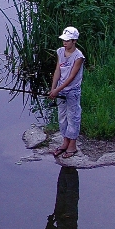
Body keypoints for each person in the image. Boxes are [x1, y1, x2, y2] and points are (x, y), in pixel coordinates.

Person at [49, 26, 85, 159]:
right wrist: (53, 88)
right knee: (62, 116)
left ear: (74, 41)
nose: (64, 43)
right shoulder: (60, 51)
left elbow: (71, 76)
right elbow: (58, 70)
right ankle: (65, 142)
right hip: (60, 89)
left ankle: (72, 146)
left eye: (68, 40)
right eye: (63, 40)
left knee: (73, 116)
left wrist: (57, 90)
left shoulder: (79, 56)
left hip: (72, 91)